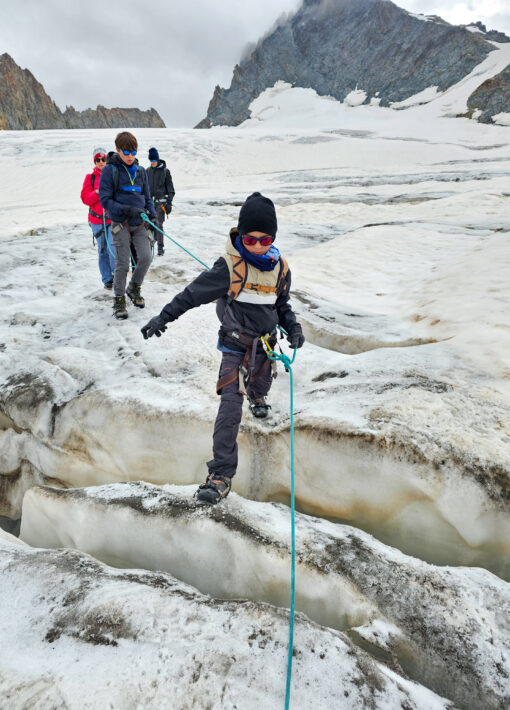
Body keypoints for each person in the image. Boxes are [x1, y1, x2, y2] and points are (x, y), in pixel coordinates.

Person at [141, 192, 305, 505]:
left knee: (262, 380)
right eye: (250, 238)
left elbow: (281, 304)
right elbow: (191, 295)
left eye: (265, 238)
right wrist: (163, 318)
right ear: (240, 235)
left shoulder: (280, 268)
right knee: (230, 407)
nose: (258, 245)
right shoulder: (229, 268)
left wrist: (293, 327)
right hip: (234, 345)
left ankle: (259, 396)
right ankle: (220, 475)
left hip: (266, 345)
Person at [99, 132, 157, 320]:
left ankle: (134, 287)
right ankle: (119, 299)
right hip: (120, 223)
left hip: (140, 223)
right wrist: (126, 209)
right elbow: (105, 200)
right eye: (126, 152)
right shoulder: (110, 170)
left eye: (133, 152)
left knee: (146, 258)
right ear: (117, 150)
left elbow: (147, 197)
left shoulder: (140, 171)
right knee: (122, 264)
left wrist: (153, 216)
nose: (130, 156)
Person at [80, 147, 115, 289]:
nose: (101, 162)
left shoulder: (113, 175)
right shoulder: (90, 178)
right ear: (95, 162)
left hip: (112, 219)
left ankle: (116, 274)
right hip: (97, 220)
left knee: (113, 247)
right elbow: (85, 198)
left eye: (103, 159)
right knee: (102, 249)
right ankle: (107, 279)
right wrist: (96, 192)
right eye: (98, 160)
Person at [147, 147, 175, 256]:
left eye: (154, 160)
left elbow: (171, 190)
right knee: (148, 225)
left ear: (157, 159)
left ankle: (160, 247)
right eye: (151, 161)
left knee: (158, 224)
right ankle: (149, 246)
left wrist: (169, 203)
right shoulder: (147, 171)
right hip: (149, 203)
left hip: (161, 203)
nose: (152, 162)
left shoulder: (165, 172)